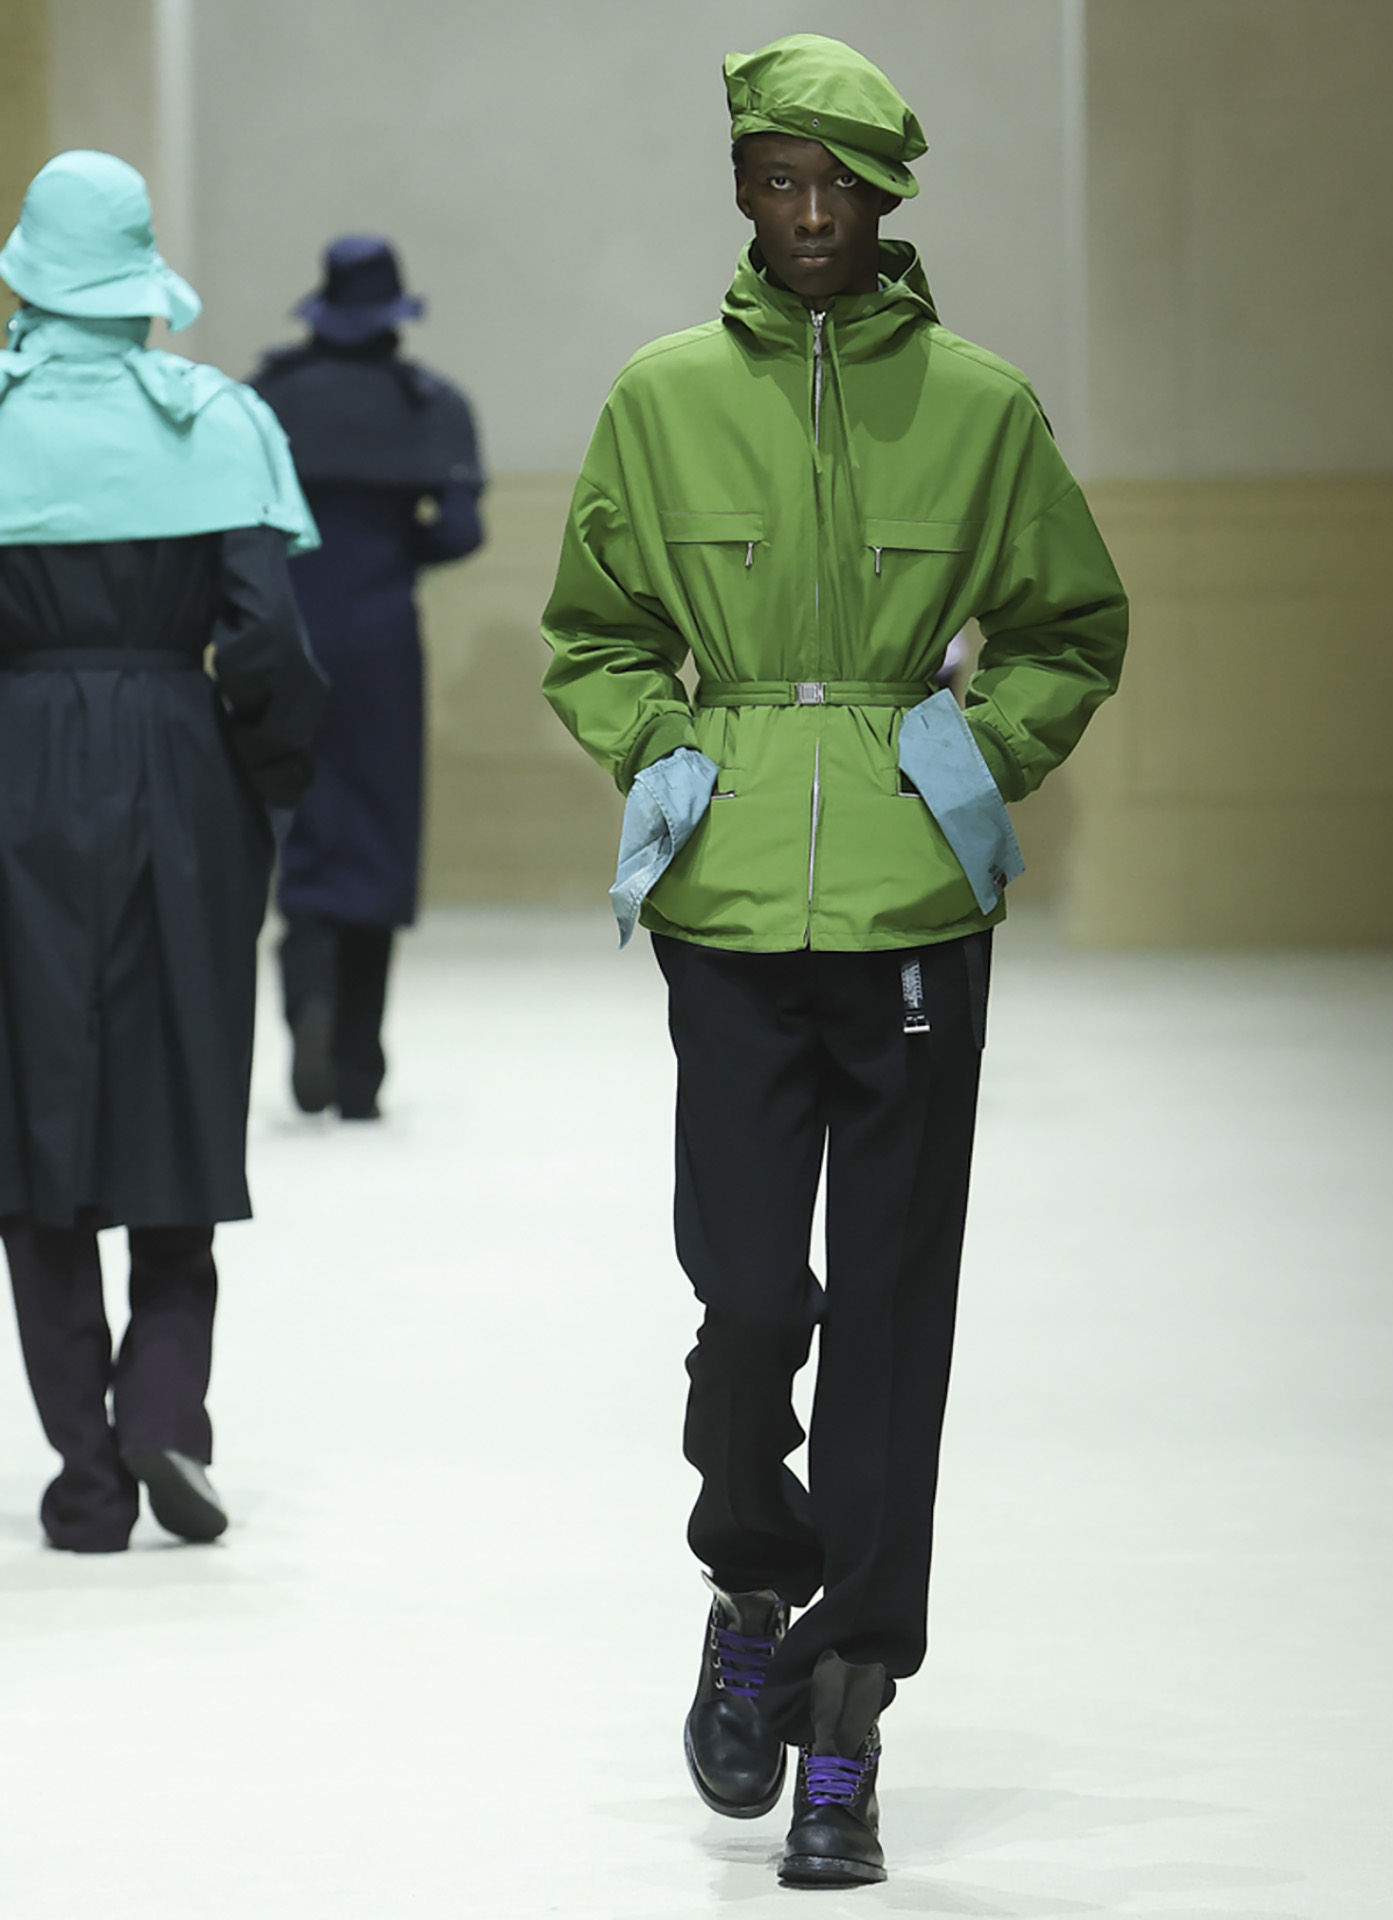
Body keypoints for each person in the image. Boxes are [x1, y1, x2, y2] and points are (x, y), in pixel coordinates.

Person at [542, 34, 1129, 1889]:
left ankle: (848, 1714)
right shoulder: (658, 398)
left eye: (841, 189)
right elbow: (592, 632)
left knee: (890, 1316)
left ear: (887, 202)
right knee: (746, 1297)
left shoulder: (979, 407)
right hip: (724, 906)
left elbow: (1070, 625)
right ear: (739, 190)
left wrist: (963, 762)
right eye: (780, 183)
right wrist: (668, 752)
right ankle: (750, 1574)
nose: (811, 217)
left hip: (914, 916)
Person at [0, 151, 327, 1552]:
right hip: (181, 764)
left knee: (29, 1111)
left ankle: (86, 1474)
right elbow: (266, 646)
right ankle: (164, 1409)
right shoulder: (221, 423)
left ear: (27, 277)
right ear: (141, 281)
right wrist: (262, 789)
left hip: (15, 765)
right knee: (180, 1083)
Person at [251, 237, 484, 1121]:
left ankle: (307, 996)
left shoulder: (267, 399)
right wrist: (393, 554)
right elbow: (460, 530)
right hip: (383, 634)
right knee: (380, 829)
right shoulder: (429, 403)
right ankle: (358, 1065)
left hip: (290, 631)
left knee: (303, 818)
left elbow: (236, 521)